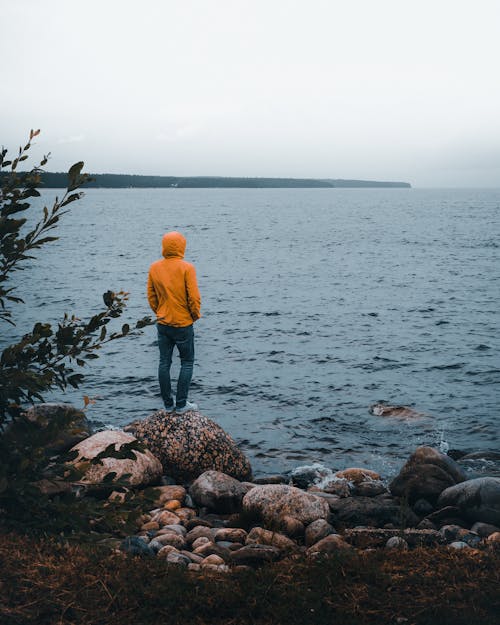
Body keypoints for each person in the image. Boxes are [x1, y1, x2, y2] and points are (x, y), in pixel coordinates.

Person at [147, 231, 201, 413]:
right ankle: (181, 404)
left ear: (164, 246)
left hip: (162, 323)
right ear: (181, 246)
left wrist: (160, 313)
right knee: (187, 362)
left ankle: (167, 404)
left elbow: (151, 296)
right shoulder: (187, 268)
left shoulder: (154, 267)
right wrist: (194, 316)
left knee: (164, 362)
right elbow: (193, 298)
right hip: (183, 323)